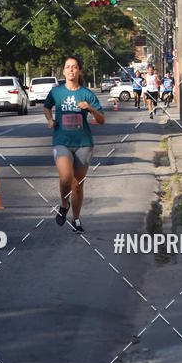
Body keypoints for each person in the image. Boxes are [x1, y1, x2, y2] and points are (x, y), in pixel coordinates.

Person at [44, 56, 105, 232]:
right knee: (65, 177)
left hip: (83, 143)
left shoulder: (87, 94)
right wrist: (49, 120)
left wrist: (91, 108)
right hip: (61, 141)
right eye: (68, 67)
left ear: (79, 71)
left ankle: (76, 219)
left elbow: (101, 120)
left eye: (74, 67)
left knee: (77, 185)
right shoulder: (56, 92)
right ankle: (64, 204)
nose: (71, 70)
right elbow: (46, 107)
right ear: (63, 71)